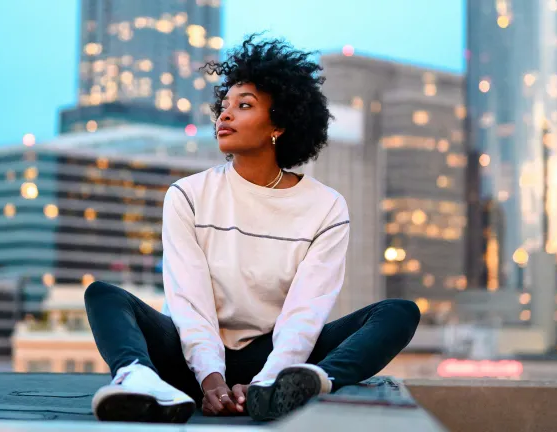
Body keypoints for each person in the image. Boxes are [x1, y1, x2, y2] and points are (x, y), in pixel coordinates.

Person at [84, 34, 421, 424]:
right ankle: (138, 379)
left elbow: (304, 313)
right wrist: (211, 379)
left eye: (243, 106)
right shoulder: (188, 194)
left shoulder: (325, 207)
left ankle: (312, 383)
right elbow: (190, 303)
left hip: (277, 361)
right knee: (104, 296)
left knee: (398, 312)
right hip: (189, 360)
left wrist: (269, 379)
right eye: (224, 106)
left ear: (279, 124)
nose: (224, 116)